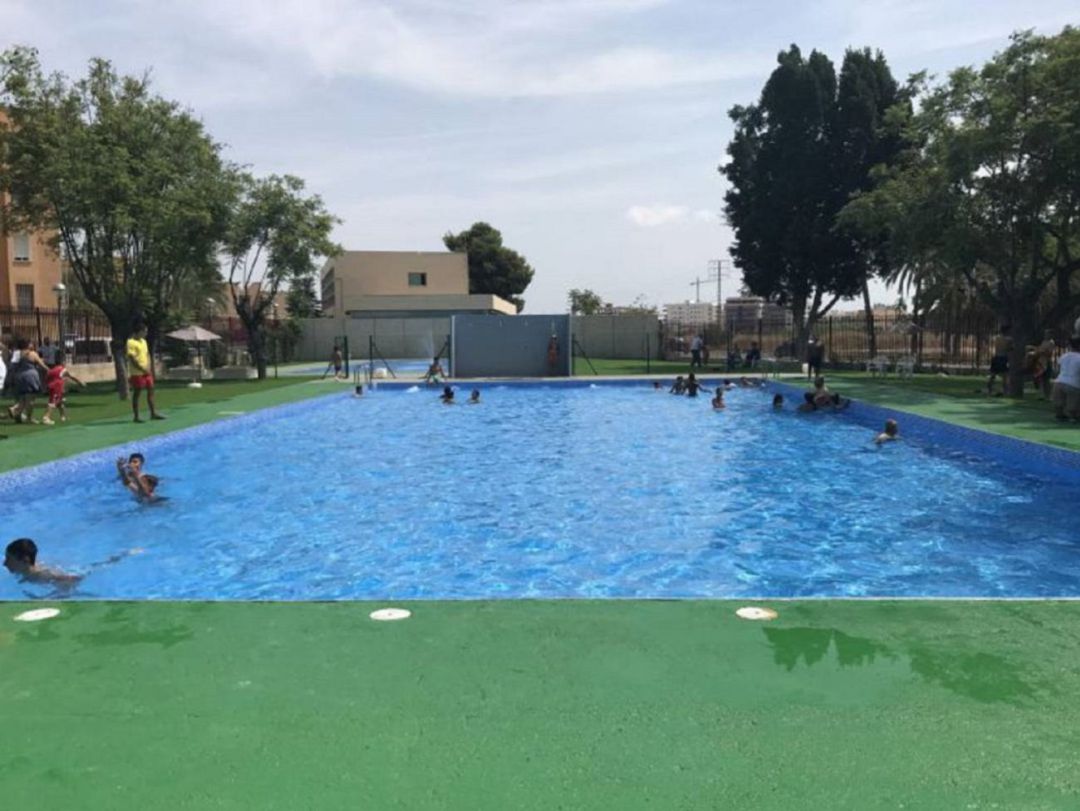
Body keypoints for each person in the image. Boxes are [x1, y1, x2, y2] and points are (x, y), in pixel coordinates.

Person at [5, 537, 144, 590]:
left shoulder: (42, 576)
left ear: (25, 560)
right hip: (71, 573)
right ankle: (124, 555)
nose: (4, 563)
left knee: (99, 566)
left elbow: (70, 584)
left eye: (9, 559)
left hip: (76, 578)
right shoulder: (31, 572)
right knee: (98, 565)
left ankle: (125, 555)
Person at [126, 323, 164, 423]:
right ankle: (136, 416)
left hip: (146, 371)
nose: (146, 333)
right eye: (144, 331)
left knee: (151, 391)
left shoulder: (144, 341)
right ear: (138, 332)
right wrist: (142, 369)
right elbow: (132, 358)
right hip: (137, 373)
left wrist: (149, 367)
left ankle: (153, 413)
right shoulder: (131, 342)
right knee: (137, 393)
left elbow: (147, 355)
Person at [7, 339, 50, 424]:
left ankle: (17, 411)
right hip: (30, 376)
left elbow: (12, 366)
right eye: (31, 343)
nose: (33, 345)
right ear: (27, 345)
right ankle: (27, 417)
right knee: (31, 399)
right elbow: (42, 365)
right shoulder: (32, 353)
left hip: (19, 377)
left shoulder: (17, 354)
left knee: (23, 397)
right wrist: (51, 371)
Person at [40, 352, 84, 425]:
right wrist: (80, 383)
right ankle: (46, 417)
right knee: (53, 402)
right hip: (56, 387)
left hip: (51, 386)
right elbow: (71, 377)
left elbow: (47, 379)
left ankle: (63, 416)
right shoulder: (62, 369)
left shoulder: (51, 370)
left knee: (59, 402)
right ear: (63, 361)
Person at [1051, 336, 1080, 422]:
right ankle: (1072, 416)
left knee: (1059, 403)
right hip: (1074, 384)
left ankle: (1060, 415)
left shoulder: (1064, 356)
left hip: (1059, 381)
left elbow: (1058, 369)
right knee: (1073, 403)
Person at [987, 325, 1013, 397]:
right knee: (1005, 376)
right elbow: (1010, 349)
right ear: (1007, 331)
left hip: (996, 357)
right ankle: (1005, 391)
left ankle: (989, 391)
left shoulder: (997, 338)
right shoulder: (1009, 339)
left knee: (992, 375)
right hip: (1003, 358)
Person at [1032, 331, 1057, 399]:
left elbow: (1049, 353)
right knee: (1040, 379)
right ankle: (1041, 395)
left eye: (1047, 334)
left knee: (1046, 380)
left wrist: (1041, 352)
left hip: (1047, 362)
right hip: (1041, 362)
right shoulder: (1043, 342)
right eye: (1045, 334)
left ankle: (1048, 396)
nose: (1045, 335)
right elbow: (1039, 349)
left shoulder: (1051, 342)